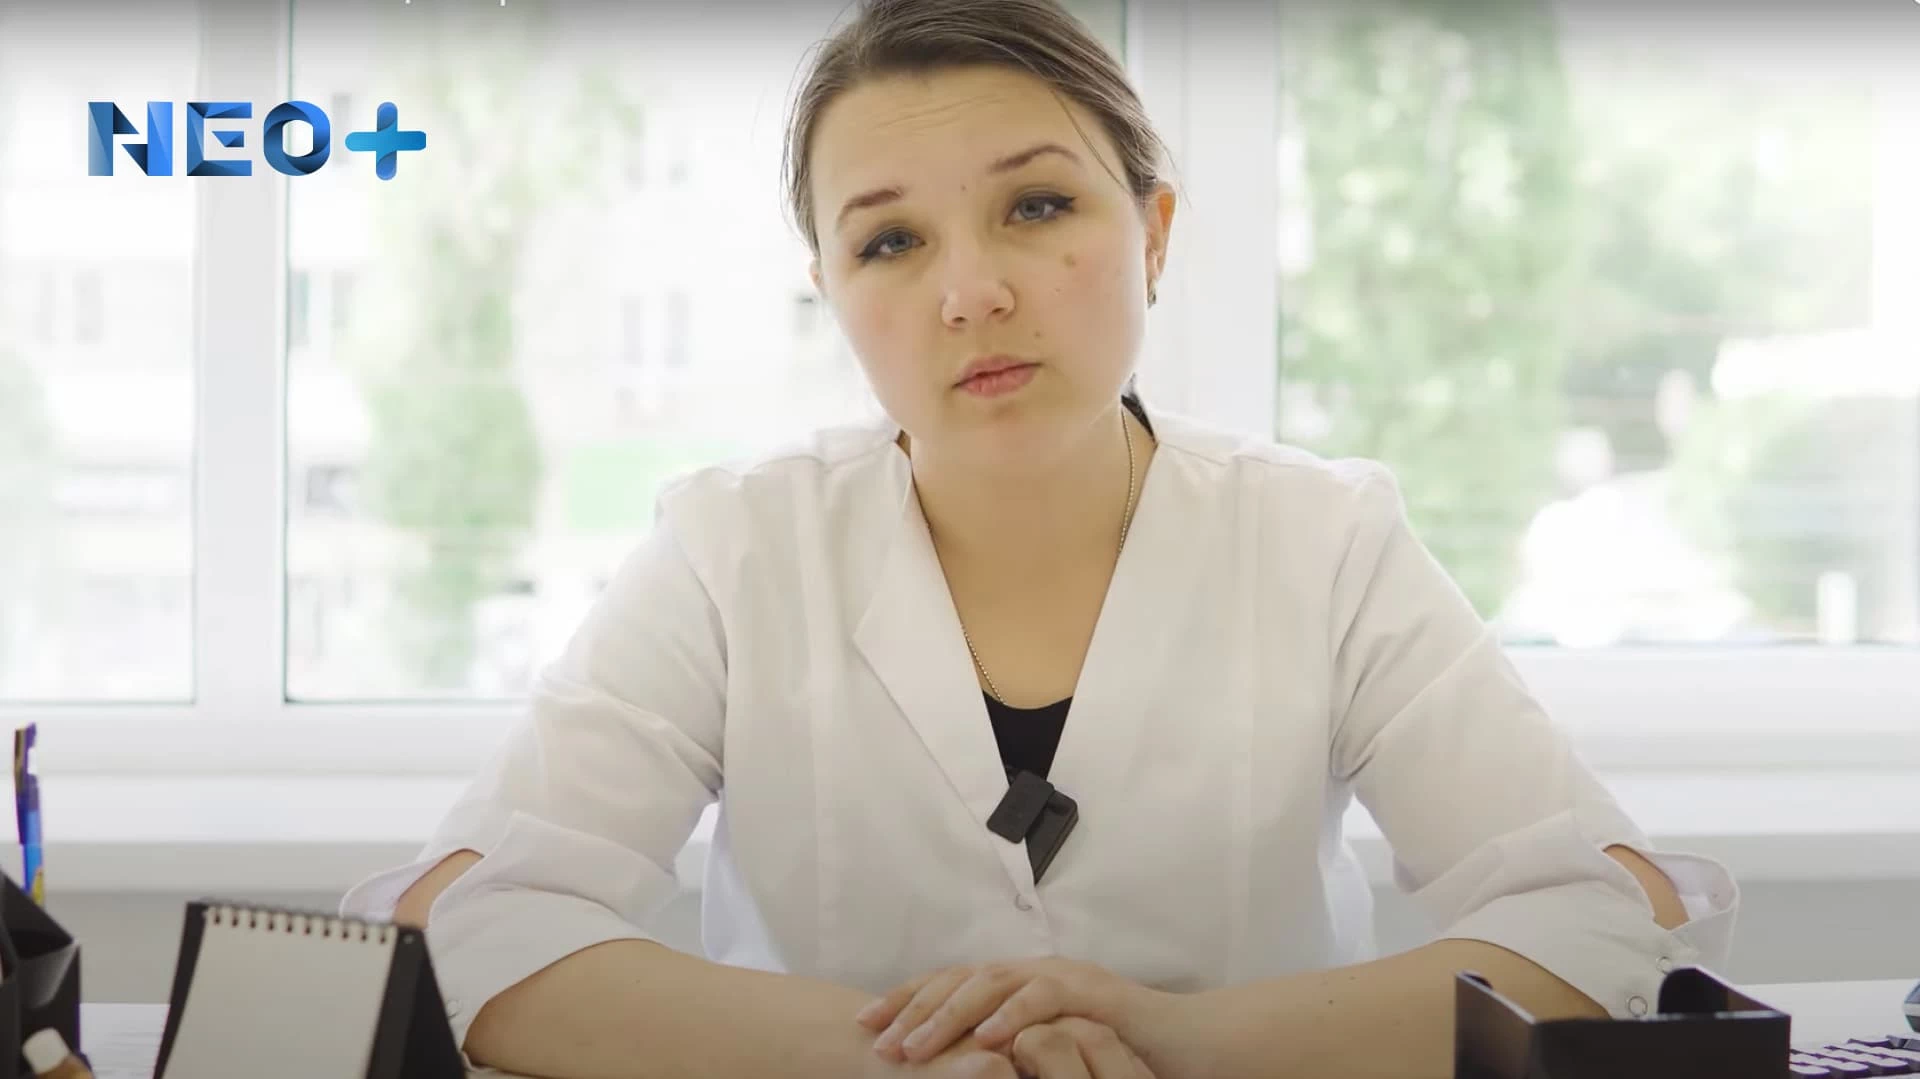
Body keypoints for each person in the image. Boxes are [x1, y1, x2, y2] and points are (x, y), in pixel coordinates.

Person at [340, 1, 1738, 1076]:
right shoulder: (735, 548)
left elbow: (1598, 918)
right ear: (829, 289)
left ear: (1154, 234)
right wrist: (898, 1058)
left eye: (1038, 206)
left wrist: (1179, 1039)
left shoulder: (1323, 539)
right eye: (890, 242)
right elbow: (471, 929)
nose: (972, 293)